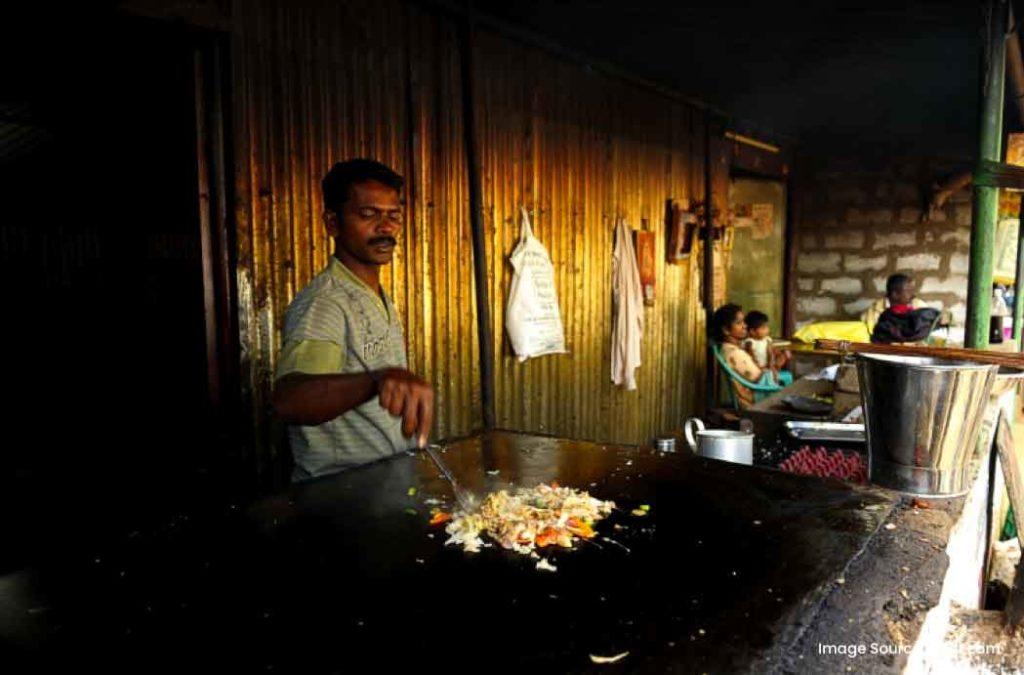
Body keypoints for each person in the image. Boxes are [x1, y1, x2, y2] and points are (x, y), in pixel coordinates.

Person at [273, 159, 435, 481]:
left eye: (393, 216)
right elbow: (289, 400)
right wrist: (377, 380)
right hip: (340, 494)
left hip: (384, 484)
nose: (385, 228)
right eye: (368, 215)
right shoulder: (325, 303)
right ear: (332, 223)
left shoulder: (372, 293)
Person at [709, 304, 766, 409]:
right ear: (726, 330)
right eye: (739, 323)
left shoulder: (728, 349)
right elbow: (762, 379)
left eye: (743, 322)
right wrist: (776, 364)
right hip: (755, 401)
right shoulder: (735, 353)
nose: (745, 326)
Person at [860, 273, 927, 333]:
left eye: (912, 290)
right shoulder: (874, 314)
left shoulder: (919, 305)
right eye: (908, 291)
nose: (913, 295)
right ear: (895, 294)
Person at [742, 310, 792, 386]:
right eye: (763, 328)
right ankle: (773, 376)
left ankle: (774, 371)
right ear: (752, 331)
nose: (767, 330)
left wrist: (780, 354)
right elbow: (751, 358)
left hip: (769, 365)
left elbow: (771, 352)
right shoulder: (750, 342)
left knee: (785, 353)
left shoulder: (767, 340)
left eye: (767, 327)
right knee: (769, 370)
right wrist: (761, 368)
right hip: (758, 368)